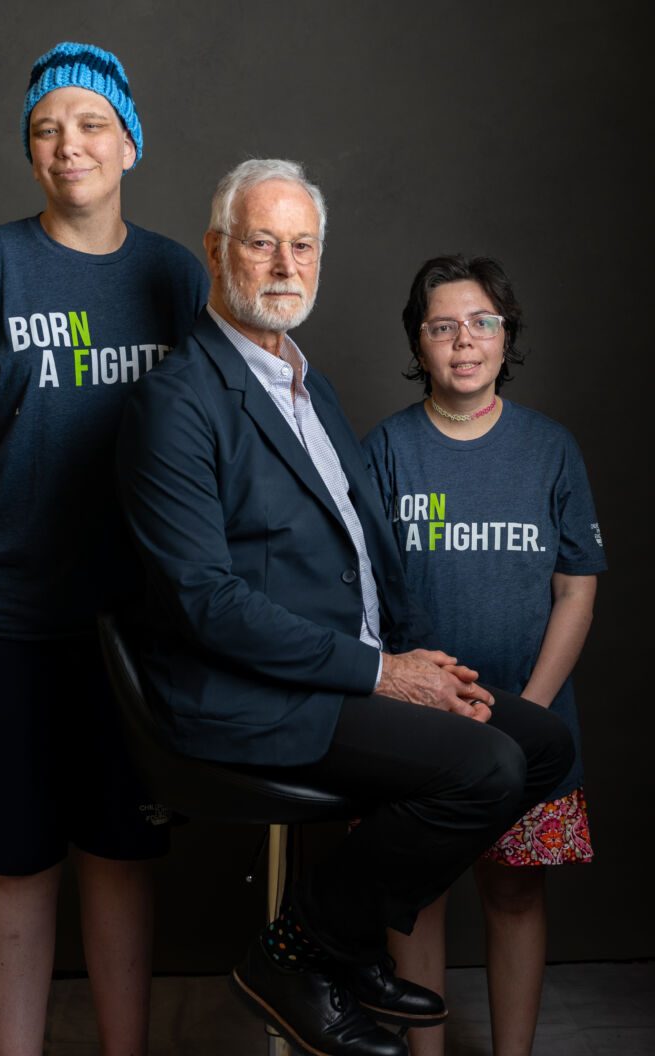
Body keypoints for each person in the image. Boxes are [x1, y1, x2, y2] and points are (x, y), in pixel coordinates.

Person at [116, 159, 575, 1056]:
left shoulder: (306, 383)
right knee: (482, 768)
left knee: (544, 745)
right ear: (216, 253)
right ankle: (297, 950)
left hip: (342, 669)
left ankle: (339, 942)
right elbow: (204, 602)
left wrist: (414, 655)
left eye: (303, 244)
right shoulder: (175, 401)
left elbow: (366, 551)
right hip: (245, 690)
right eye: (261, 242)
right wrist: (381, 672)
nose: (285, 263)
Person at [0, 41, 209, 1056]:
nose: (66, 144)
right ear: (30, 151)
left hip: (134, 630)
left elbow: (224, 444)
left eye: (87, 124)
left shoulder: (175, 275)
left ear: (129, 142)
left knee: (122, 856)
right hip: (1, 623)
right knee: (18, 864)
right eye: (45, 127)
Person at [361, 255, 606, 1056]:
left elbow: (574, 590)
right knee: (416, 896)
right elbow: (358, 594)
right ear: (418, 341)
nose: (463, 342)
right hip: (417, 724)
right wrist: (406, 691)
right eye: (441, 327)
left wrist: (527, 711)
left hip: (528, 718)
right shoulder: (385, 451)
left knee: (511, 894)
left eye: (481, 323)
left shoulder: (549, 449)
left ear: (505, 336)